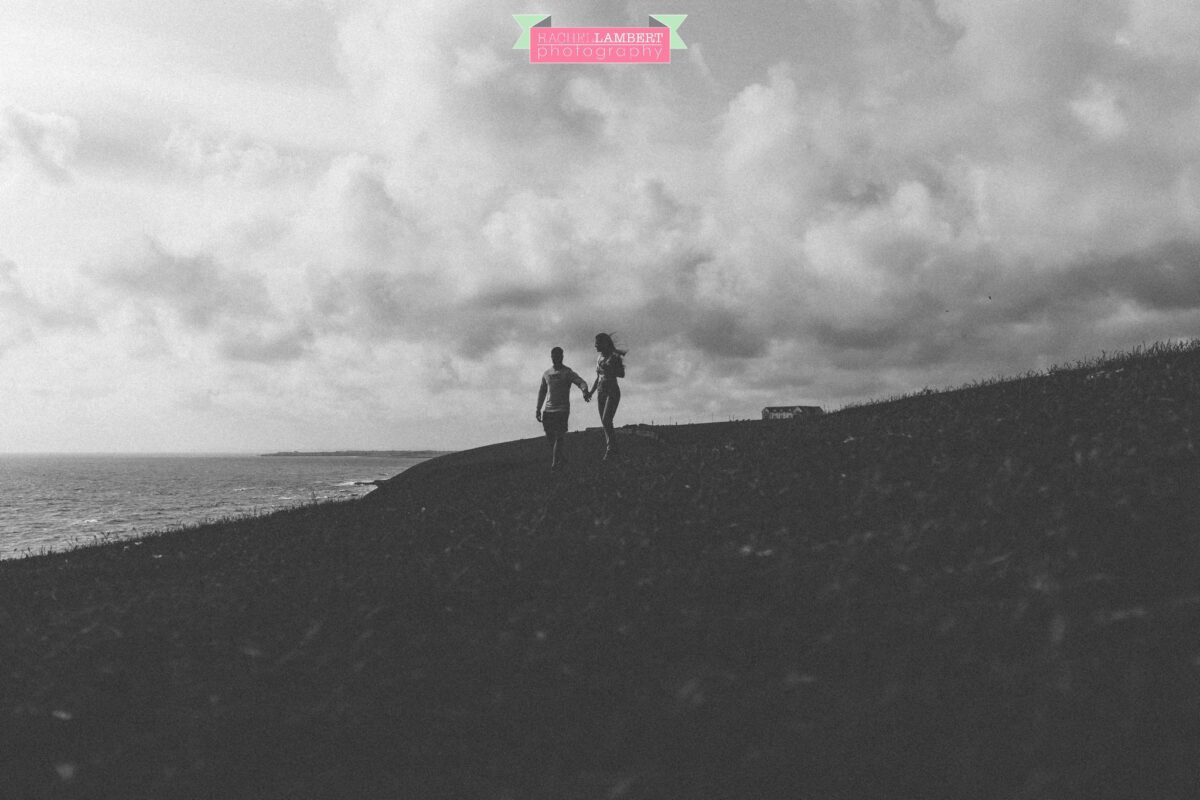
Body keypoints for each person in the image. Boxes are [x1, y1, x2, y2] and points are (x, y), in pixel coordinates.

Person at [536, 346, 591, 469]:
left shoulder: (567, 372)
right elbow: (542, 391)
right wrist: (538, 409)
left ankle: (555, 464)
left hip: (562, 409)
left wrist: (584, 390)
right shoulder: (546, 373)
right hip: (548, 410)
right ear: (551, 357)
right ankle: (561, 459)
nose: (556, 358)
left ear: (562, 357)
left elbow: (580, 382)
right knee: (550, 437)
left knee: (559, 436)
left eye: (558, 356)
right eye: (553, 356)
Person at [589, 332, 627, 460]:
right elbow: (597, 377)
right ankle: (611, 449)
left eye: (597, 343)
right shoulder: (599, 358)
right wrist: (591, 392)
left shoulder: (614, 357)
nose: (595, 346)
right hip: (601, 391)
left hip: (612, 390)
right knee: (605, 422)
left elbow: (622, 374)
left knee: (606, 420)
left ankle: (611, 449)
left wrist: (610, 370)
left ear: (604, 343)